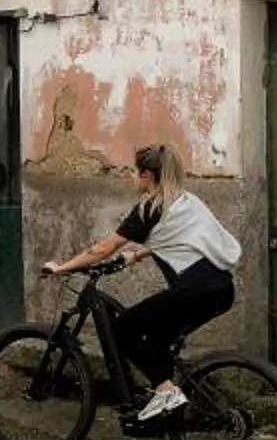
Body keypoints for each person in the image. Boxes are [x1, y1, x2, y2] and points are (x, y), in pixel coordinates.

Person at [44, 142, 241, 425]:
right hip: (221, 290)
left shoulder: (150, 209)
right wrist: (137, 254)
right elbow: (183, 239)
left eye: (134, 172)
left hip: (193, 292)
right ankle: (166, 401)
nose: (131, 177)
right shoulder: (186, 202)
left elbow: (102, 249)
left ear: (148, 175)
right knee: (158, 340)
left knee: (122, 330)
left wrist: (61, 268)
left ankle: (165, 391)